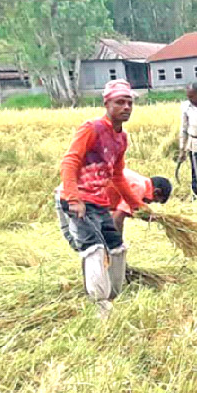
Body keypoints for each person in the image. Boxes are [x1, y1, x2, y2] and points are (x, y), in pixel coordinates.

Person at [55, 80, 148, 317]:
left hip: (99, 202)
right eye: (120, 102)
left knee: (117, 248)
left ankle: (112, 296)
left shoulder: (121, 138)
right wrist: (74, 199)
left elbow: (117, 175)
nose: (126, 107)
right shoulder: (92, 128)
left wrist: (139, 206)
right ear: (107, 104)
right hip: (78, 200)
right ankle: (100, 305)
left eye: (129, 102)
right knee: (94, 249)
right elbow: (70, 161)